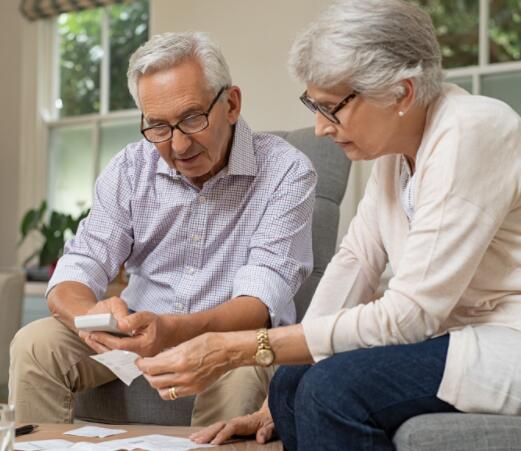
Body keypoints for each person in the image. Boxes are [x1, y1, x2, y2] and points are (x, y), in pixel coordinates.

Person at [136, 1, 521, 449]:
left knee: (331, 391)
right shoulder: (397, 153)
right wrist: (275, 396)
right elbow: (355, 261)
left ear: (403, 93)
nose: (320, 127)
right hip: (448, 339)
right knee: (291, 383)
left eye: (331, 107)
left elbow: (410, 316)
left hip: (506, 340)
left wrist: (237, 347)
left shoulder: (473, 131)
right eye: (313, 105)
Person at [8, 31, 317, 426]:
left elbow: (258, 303)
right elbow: (81, 262)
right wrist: (91, 315)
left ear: (232, 104)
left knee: (243, 369)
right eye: (158, 127)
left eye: (192, 118)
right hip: (135, 335)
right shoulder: (130, 168)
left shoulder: (286, 172)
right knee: (35, 344)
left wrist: (171, 331)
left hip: (231, 342)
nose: (179, 145)